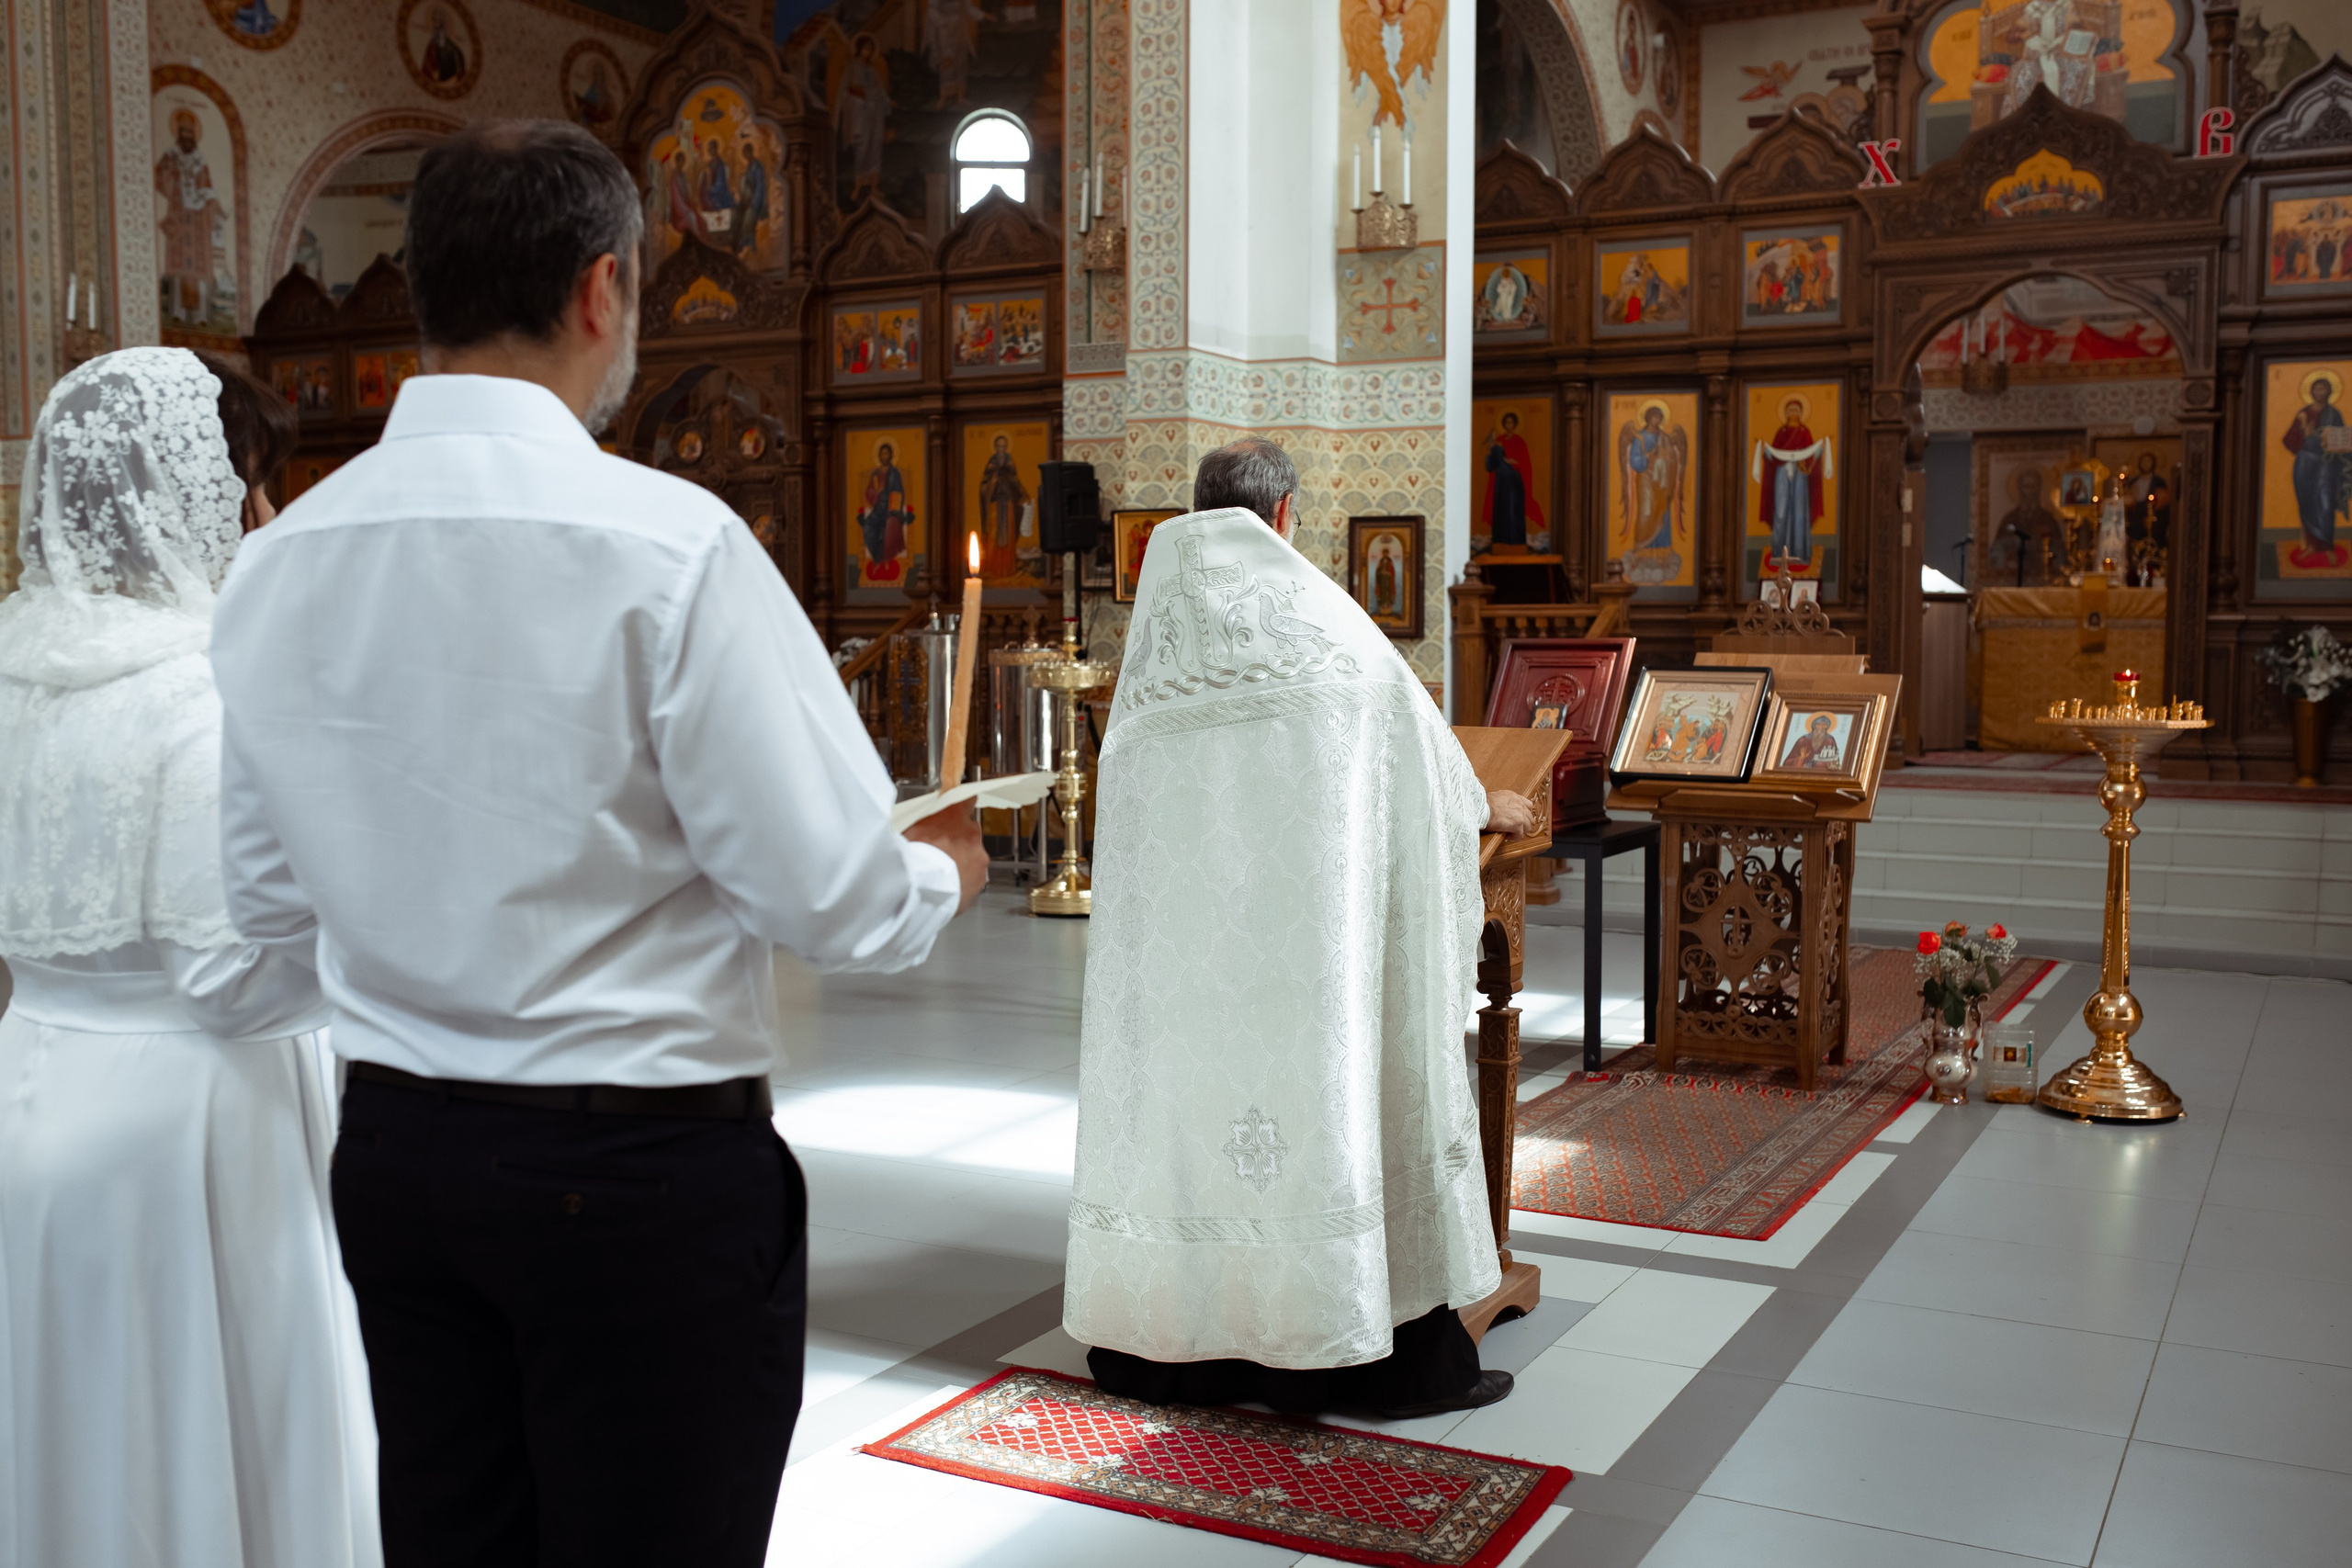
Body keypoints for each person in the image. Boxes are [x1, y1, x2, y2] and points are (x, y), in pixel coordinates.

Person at [208, 120, 989, 1568]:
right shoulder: (670, 544)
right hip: (633, 1179)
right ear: (601, 290)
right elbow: (825, 889)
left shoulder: (278, 561)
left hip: (395, 1154)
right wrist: (938, 868)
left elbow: (261, 911)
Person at [0, 348, 379, 1567]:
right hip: (193, 1130)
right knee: (220, 1429)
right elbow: (229, 974)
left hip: (33, 1090)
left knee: (76, 1430)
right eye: (251, 486)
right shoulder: (197, 691)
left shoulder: (14, 674)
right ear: (184, 498)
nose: (263, 518)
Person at [1066, 437, 1535, 1420]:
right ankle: (1363, 1354)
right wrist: (1481, 803)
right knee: (1322, 1125)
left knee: (1196, 1131)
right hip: (1306, 970)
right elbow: (1416, 755)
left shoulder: (1151, 658)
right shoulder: (1332, 632)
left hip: (1192, 974)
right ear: (1282, 518)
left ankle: (1179, 1345)